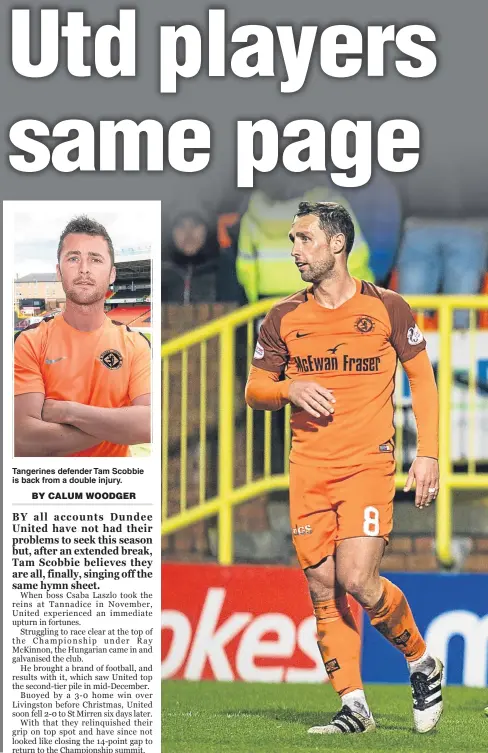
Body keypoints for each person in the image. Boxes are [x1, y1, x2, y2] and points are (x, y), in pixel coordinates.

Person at [245, 201, 442, 735]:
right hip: (307, 469)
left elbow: (423, 381)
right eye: (291, 240)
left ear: (337, 244)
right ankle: (354, 706)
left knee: (357, 577)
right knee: (322, 586)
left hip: (367, 464)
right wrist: (289, 388)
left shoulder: (388, 307)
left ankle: (422, 660)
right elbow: (255, 390)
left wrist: (428, 454)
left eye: (304, 239)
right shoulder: (282, 316)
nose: (294, 251)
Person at [14, 216, 151, 457]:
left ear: (112, 274)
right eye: (73, 258)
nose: (84, 269)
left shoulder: (136, 345)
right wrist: (120, 425)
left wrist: (68, 412)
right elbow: (23, 439)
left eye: (95, 259)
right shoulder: (30, 342)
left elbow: (149, 425)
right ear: (59, 271)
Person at [162, 211, 243, 304]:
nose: (188, 234)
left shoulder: (225, 269)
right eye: (181, 226)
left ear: (207, 230)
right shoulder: (158, 272)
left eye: (195, 225)